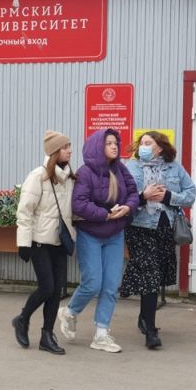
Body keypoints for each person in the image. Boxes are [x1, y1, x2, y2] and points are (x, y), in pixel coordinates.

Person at [57, 129, 139, 353]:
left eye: (115, 143)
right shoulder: (85, 172)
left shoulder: (121, 169)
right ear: (97, 147)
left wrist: (127, 207)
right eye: (109, 143)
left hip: (115, 234)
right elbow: (79, 204)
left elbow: (134, 193)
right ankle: (69, 312)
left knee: (111, 285)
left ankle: (101, 334)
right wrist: (105, 214)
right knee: (93, 283)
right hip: (91, 234)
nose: (114, 146)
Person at [120, 131, 196, 349]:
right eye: (141, 143)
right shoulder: (131, 167)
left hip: (164, 226)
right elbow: (123, 196)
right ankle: (151, 330)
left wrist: (168, 196)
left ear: (160, 147)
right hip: (139, 227)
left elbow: (191, 194)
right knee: (150, 274)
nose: (143, 146)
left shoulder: (174, 167)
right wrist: (143, 196)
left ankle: (144, 317)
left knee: (156, 274)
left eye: (148, 143)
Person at [12, 130, 76, 355]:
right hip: (39, 241)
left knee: (57, 291)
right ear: (54, 151)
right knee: (47, 287)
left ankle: (46, 336)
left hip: (60, 241)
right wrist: (23, 243)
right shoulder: (37, 176)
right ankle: (23, 318)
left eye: (69, 146)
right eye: (65, 147)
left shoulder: (69, 178)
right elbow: (25, 211)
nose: (69, 150)